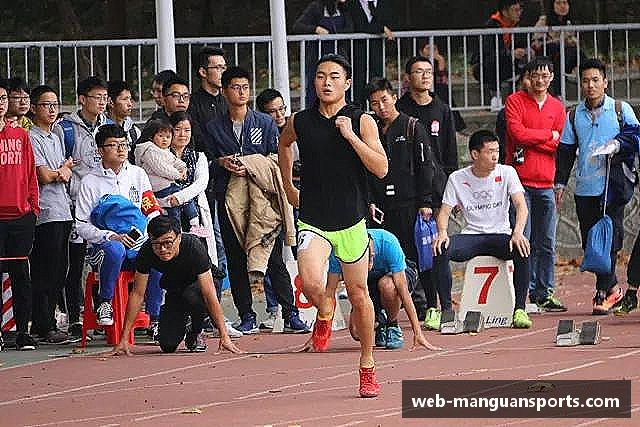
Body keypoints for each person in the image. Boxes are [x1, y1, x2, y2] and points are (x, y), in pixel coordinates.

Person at [278, 54, 388, 397]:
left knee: (359, 294)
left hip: (351, 220)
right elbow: (284, 144)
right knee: (311, 282)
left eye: (334, 76)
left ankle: (367, 365)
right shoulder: (301, 120)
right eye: (321, 76)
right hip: (313, 218)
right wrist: (288, 185)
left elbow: (381, 168)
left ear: (347, 83)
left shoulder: (362, 120)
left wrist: (351, 136)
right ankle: (325, 309)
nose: (326, 82)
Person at [204, 66, 309, 335]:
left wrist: (251, 165)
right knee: (236, 258)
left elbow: (276, 157)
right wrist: (222, 162)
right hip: (229, 200)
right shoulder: (213, 127)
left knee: (273, 257)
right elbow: (207, 165)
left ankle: (291, 313)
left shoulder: (264, 122)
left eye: (245, 87)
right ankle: (246, 315)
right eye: (235, 87)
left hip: (263, 199)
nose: (241, 92)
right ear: (225, 91)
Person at [555, 58, 640, 315]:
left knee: (609, 238)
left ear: (605, 82)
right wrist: (560, 182)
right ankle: (612, 285)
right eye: (585, 81)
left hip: (613, 186)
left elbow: (636, 136)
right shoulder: (573, 115)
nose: (590, 85)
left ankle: (603, 290)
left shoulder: (620, 109)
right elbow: (566, 150)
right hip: (585, 187)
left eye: (595, 80)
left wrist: (617, 144)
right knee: (590, 242)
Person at [432, 130, 533, 329]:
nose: (495, 156)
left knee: (522, 248)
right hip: (472, 236)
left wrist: (518, 232)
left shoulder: (507, 172)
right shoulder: (457, 178)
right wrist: (442, 232)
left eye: (497, 151)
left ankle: (520, 310)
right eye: (490, 152)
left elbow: (521, 206)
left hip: (500, 235)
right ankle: (446, 311)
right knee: (440, 248)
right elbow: (444, 212)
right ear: (475, 154)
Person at [365, 77, 440, 330]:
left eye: (384, 100)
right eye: (375, 103)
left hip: (411, 205)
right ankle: (381, 311)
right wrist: (370, 200)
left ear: (394, 98)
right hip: (381, 209)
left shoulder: (411, 126)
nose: (381, 107)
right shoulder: (371, 129)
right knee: (381, 259)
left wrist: (425, 201)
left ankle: (430, 306)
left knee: (420, 255)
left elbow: (425, 166)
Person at [111, 215, 243, 355]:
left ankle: (196, 330)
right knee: (168, 345)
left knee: (192, 296)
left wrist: (224, 336)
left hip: (200, 286)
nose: (162, 249)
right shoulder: (146, 251)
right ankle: (183, 322)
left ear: (179, 238)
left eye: (168, 243)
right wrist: (123, 338)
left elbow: (208, 293)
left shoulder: (194, 246)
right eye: (157, 244)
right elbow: (137, 294)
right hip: (175, 288)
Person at [162, 111, 242, 338]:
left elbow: (201, 183)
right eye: (177, 130)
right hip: (168, 216)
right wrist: (170, 201)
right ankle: (177, 318)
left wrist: (179, 197)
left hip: (197, 215)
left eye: (187, 130)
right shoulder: (160, 157)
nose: (182, 134)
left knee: (208, 263)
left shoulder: (198, 157)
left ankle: (212, 317)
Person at [75, 124, 162, 326]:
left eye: (124, 144)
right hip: (104, 249)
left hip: (137, 244)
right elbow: (82, 225)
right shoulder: (89, 181)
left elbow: (151, 210)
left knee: (157, 253)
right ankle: (104, 302)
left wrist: (150, 234)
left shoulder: (138, 174)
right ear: (100, 150)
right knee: (115, 249)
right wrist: (110, 236)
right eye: (113, 145)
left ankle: (155, 318)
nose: (121, 149)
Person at [505, 57, 567, 311]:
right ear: (528, 77)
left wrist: (538, 139)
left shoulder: (557, 107)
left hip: (546, 183)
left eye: (545, 76)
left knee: (547, 242)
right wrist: (547, 135)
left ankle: (544, 291)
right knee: (523, 238)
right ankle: (523, 292)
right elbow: (517, 134)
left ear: (551, 78)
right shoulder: (515, 101)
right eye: (535, 76)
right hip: (519, 183)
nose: (540, 80)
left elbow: (559, 143)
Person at [57, 76, 113, 337]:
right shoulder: (66, 129)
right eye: (96, 97)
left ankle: (101, 313)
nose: (102, 102)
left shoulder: (109, 127)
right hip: (76, 206)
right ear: (82, 99)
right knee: (76, 264)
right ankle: (75, 316)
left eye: (105, 97)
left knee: (102, 261)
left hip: (105, 209)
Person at [327, 229, 440, 351]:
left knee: (387, 285)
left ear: (372, 254)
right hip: (369, 283)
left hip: (396, 276)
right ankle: (380, 320)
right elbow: (329, 293)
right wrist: (321, 328)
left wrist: (418, 333)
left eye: (368, 260)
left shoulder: (388, 243)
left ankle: (392, 324)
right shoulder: (340, 252)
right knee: (356, 332)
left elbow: (404, 293)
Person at [28, 85, 76, 344]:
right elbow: (44, 175)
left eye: (55, 104)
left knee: (60, 269)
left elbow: (63, 171)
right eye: (46, 105)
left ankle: (48, 322)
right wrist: (62, 171)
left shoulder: (56, 136)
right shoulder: (31, 137)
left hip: (63, 208)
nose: (52, 109)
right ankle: (43, 324)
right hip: (45, 211)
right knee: (45, 269)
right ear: (34, 108)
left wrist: (61, 171)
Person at [0, 79, 39, 350]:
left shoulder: (21, 136)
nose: (1, 103)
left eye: (3, 98)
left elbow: (30, 174)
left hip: (21, 217)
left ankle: (23, 332)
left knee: (21, 276)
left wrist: (33, 208)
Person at [134, 119, 207, 237]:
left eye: (167, 137)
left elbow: (175, 161)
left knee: (182, 203)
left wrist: (183, 168)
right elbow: (162, 169)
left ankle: (194, 225)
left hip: (172, 188)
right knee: (173, 211)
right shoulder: (150, 151)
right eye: (161, 136)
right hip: (160, 189)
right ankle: (179, 232)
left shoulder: (166, 151)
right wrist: (178, 175)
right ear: (152, 137)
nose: (164, 139)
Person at [292, 0, 353, 107]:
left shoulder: (345, 8)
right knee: (316, 86)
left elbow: (350, 28)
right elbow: (298, 26)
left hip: (339, 56)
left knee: (340, 85)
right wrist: (316, 29)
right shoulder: (316, 7)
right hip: (317, 56)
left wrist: (334, 35)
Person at [472, 0, 529, 110]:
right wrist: (510, 54)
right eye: (515, 10)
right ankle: (495, 97)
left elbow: (523, 44)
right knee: (494, 60)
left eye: (520, 10)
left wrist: (526, 51)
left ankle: (517, 99)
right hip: (484, 66)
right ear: (505, 12)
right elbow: (488, 52)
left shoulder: (518, 26)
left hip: (509, 64)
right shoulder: (491, 25)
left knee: (528, 63)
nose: (519, 13)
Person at [533, 0, 583, 96]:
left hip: (566, 57)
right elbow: (536, 40)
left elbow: (574, 40)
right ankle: (558, 94)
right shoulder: (544, 20)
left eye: (565, 3)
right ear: (552, 5)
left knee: (578, 52)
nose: (562, 6)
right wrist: (558, 41)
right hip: (548, 57)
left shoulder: (569, 22)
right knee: (556, 51)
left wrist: (570, 41)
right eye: (558, 3)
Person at [350, 0, 394, 107]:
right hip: (357, 52)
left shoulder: (385, 4)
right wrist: (381, 28)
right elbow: (357, 27)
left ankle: (378, 109)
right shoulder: (351, 4)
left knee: (377, 82)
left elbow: (392, 25)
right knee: (358, 82)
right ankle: (359, 110)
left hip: (378, 52)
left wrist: (384, 29)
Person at [188, 47, 228, 152]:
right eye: (218, 68)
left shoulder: (229, 100)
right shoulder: (192, 103)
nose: (223, 73)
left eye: (224, 68)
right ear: (203, 72)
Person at [107, 80, 140, 155]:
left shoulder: (134, 131)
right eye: (125, 99)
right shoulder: (100, 130)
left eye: (130, 99)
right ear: (110, 102)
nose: (130, 104)